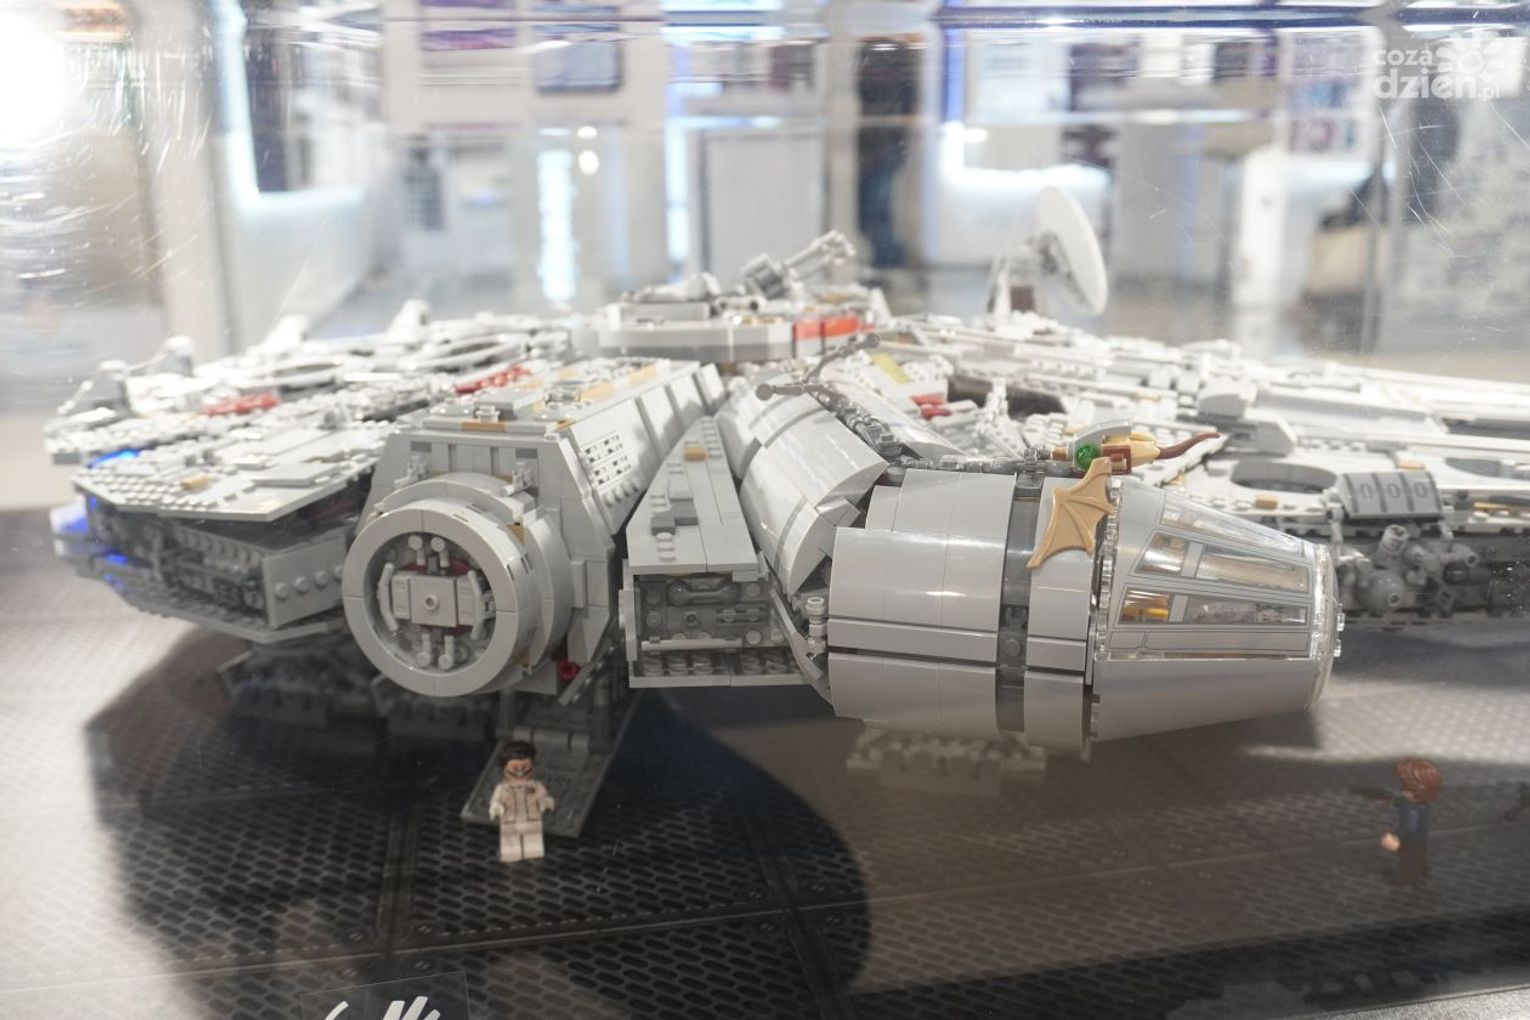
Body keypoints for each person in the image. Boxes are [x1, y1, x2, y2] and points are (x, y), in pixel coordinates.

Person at [488, 740, 556, 864]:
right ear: (504, 768)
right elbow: (496, 800)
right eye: (514, 769)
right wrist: (496, 806)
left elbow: (543, 796)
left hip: (532, 818)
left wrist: (545, 801)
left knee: (533, 838)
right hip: (510, 818)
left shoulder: (536, 786)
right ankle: (511, 854)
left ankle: (533, 853)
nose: (520, 772)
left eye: (525, 768)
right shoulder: (502, 788)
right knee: (510, 839)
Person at [1380, 758, 1443, 886]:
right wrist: (1395, 801)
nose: (1402, 789)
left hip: (1410, 840)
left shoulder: (1412, 810)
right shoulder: (1422, 803)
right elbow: (1403, 802)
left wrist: (1396, 836)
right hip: (1420, 837)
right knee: (1418, 855)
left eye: (1405, 787)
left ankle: (1405, 878)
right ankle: (1421, 871)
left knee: (1408, 859)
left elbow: (1410, 827)